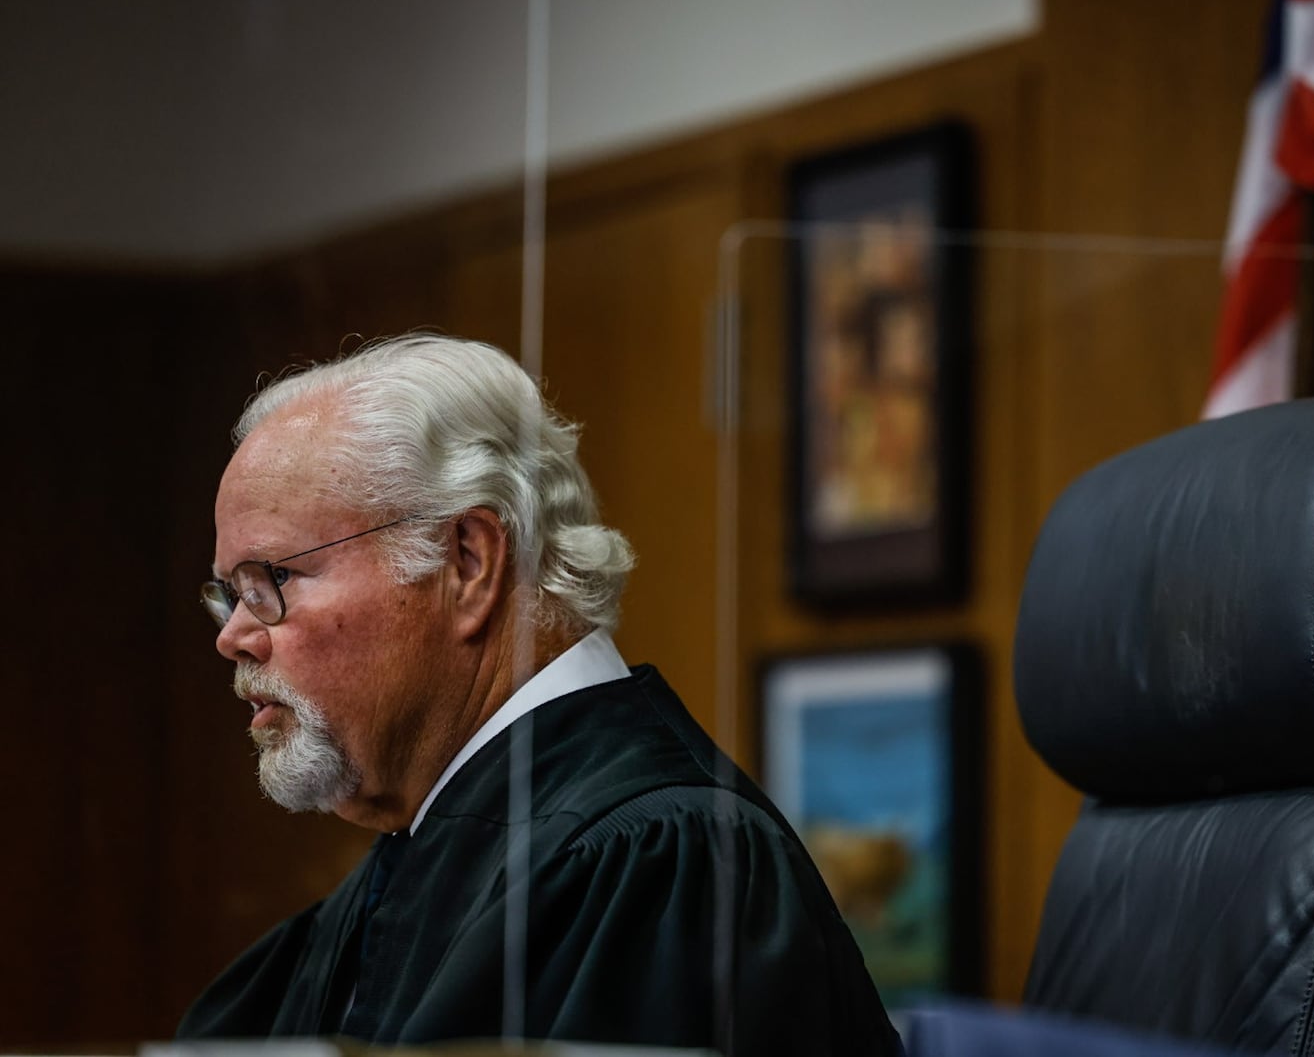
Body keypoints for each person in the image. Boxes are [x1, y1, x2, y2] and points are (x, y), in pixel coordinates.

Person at [178, 333, 903, 1055]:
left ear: (469, 561)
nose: (234, 634)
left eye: (272, 579)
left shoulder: (656, 859)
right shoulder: (425, 854)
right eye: (229, 593)